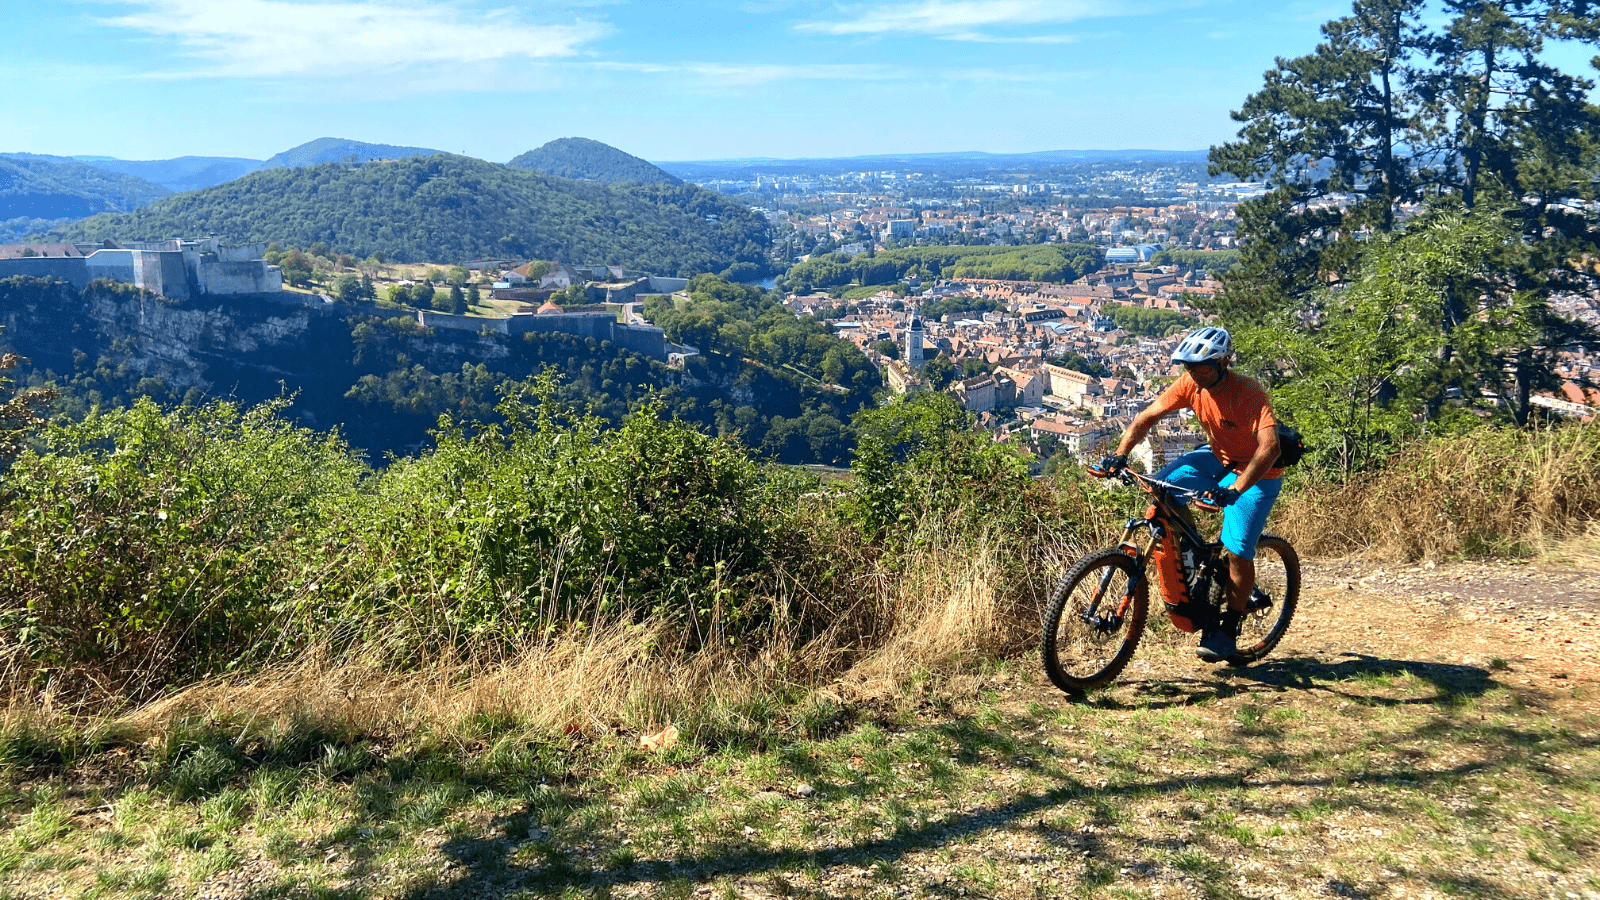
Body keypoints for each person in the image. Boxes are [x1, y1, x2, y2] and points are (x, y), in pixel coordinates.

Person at [1098, 326, 1281, 662]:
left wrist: (1235, 491)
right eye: (1190, 367)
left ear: (1224, 363)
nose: (1196, 374)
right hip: (1218, 456)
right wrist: (1120, 455)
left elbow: (1270, 448)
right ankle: (1195, 554)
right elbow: (1147, 417)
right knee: (1160, 491)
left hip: (1259, 470)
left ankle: (1228, 626)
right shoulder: (1190, 384)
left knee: (1238, 552)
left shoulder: (1249, 393)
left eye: (1204, 367)